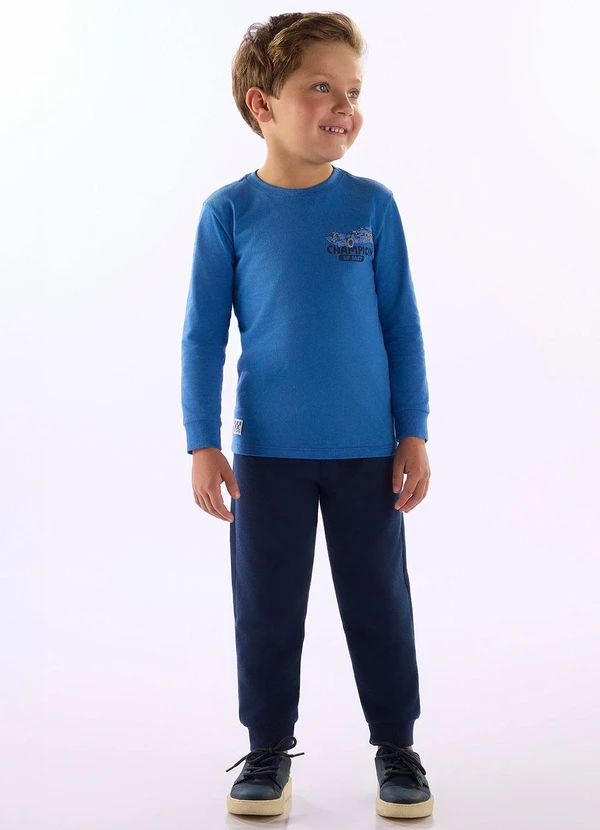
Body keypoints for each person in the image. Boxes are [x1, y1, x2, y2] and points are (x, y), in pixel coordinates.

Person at [180, 11, 434, 819]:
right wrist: (202, 442)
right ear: (262, 105)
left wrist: (413, 431)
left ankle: (397, 747)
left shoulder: (373, 206)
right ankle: (267, 748)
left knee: (379, 602)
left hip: (367, 453)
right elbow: (202, 336)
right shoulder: (229, 213)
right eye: (321, 87)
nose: (344, 106)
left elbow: (401, 326)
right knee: (267, 607)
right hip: (266, 456)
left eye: (352, 91)